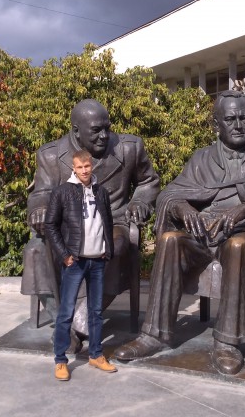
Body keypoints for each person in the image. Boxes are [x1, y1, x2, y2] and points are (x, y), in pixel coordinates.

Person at [114, 90, 245, 375]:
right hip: (203, 234)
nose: (238, 125)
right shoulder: (201, 158)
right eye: (230, 119)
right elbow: (170, 194)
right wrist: (183, 209)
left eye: (244, 118)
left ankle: (227, 342)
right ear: (216, 124)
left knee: (238, 245)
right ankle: (154, 335)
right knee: (170, 240)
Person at [21, 99, 160, 348]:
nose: (104, 136)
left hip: (112, 221)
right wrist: (40, 209)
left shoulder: (129, 148)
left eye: (107, 128)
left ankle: (74, 325)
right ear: (76, 131)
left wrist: (139, 202)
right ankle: (65, 321)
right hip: (67, 225)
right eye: (96, 130)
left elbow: (148, 181)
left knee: (115, 247)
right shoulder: (50, 154)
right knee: (35, 250)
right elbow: (42, 192)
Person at [44, 149, 118, 381]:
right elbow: (50, 225)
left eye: (87, 166)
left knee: (95, 312)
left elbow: (108, 222)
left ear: (91, 166)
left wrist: (108, 250)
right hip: (75, 261)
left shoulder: (101, 192)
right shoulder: (62, 192)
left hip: (98, 260)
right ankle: (60, 360)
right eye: (80, 167)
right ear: (73, 168)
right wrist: (65, 255)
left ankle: (96, 354)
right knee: (66, 312)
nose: (84, 171)